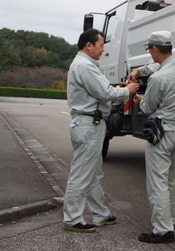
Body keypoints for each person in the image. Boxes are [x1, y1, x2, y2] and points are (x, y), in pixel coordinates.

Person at [63, 28, 139, 233]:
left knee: (93, 173)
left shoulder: (83, 64)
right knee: (81, 174)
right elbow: (104, 92)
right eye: (100, 45)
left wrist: (121, 90)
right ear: (89, 45)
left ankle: (101, 214)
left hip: (89, 124)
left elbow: (101, 90)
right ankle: (72, 219)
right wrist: (127, 91)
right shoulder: (85, 66)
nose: (102, 50)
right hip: (89, 125)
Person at [129, 30, 175, 244]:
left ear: (155, 49)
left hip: (162, 134)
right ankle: (170, 221)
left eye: (150, 50)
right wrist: (139, 70)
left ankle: (162, 231)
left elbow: (148, 106)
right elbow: (159, 65)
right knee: (172, 181)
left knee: (157, 182)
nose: (150, 54)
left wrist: (139, 98)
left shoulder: (157, 79)